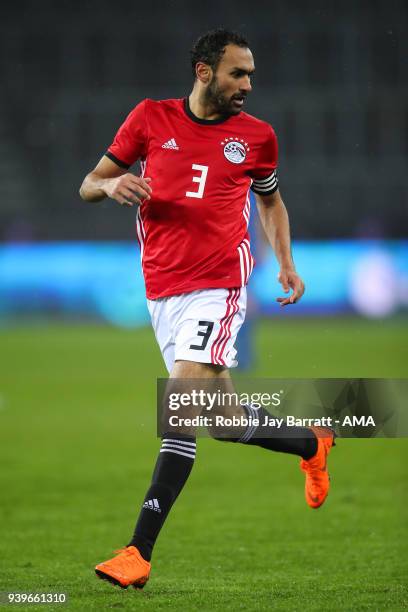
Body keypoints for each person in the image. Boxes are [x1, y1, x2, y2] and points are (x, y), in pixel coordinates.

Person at [79, 28, 336, 590]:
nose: (247, 84)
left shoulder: (257, 137)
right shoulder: (149, 118)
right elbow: (88, 184)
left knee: (181, 404)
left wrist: (286, 263)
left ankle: (137, 552)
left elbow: (270, 200)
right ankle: (310, 442)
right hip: (161, 290)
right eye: (236, 74)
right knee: (218, 421)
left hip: (217, 284)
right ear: (204, 73)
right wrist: (114, 183)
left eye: (250, 74)